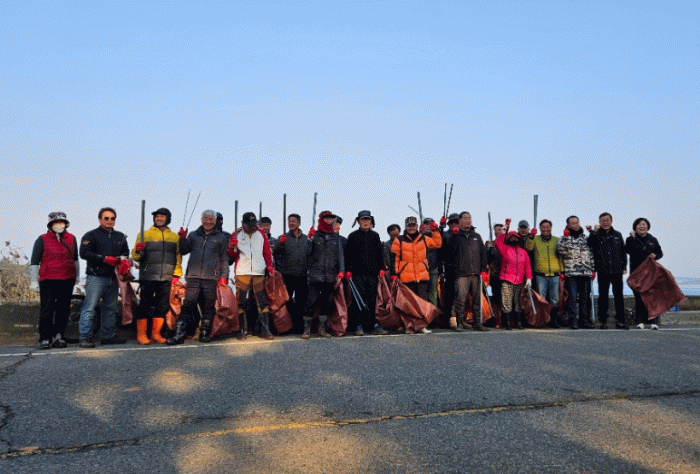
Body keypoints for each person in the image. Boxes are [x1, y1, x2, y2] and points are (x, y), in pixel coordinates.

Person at [167, 210, 229, 345]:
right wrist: (182, 239)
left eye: (211, 219)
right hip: (193, 276)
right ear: (201, 220)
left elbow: (224, 259)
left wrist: (224, 277)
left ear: (215, 221)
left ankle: (205, 333)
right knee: (188, 304)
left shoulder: (221, 238)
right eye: (205, 218)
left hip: (211, 277)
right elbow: (184, 251)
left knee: (209, 305)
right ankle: (180, 334)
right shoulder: (193, 235)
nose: (208, 222)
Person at [78, 207, 130, 347]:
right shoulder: (91, 235)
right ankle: (85, 337)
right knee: (90, 307)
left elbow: (125, 252)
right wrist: (103, 259)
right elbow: (84, 253)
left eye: (112, 218)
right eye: (106, 218)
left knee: (110, 309)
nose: (109, 221)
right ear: (100, 219)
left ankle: (108, 336)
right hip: (96, 277)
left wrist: (124, 260)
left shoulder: (120, 236)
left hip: (114, 277)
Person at [131, 208, 182, 345]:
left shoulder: (174, 237)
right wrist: (138, 250)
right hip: (148, 275)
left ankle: (156, 334)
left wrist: (177, 273)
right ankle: (141, 335)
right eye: (157, 216)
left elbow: (177, 256)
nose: (159, 218)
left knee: (163, 306)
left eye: (162, 216)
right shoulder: (144, 234)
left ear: (168, 219)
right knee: (145, 305)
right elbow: (135, 257)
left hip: (166, 276)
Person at [30, 212, 79, 349]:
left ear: (66, 224)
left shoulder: (72, 238)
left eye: (61, 222)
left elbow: (75, 258)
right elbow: (34, 261)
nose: (59, 225)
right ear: (50, 225)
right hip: (48, 279)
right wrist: (33, 281)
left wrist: (77, 276)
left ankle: (59, 336)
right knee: (47, 309)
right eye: (56, 222)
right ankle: (45, 338)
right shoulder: (42, 239)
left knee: (63, 309)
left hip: (67, 278)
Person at [228, 212, 275, 340]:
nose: (252, 226)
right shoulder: (236, 234)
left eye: (254, 224)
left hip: (259, 271)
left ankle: (265, 330)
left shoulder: (261, 233)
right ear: (243, 223)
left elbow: (266, 251)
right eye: (249, 224)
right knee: (241, 301)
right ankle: (241, 330)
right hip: (242, 271)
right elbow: (231, 255)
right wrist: (232, 246)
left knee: (262, 301)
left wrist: (269, 265)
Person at [392, 216, 442, 333]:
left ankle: (421, 326)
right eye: (409, 225)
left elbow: (437, 244)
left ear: (417, 226)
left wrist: (435, 230)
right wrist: (395, 273)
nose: (411, 228)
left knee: (421, 302)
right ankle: (409, 326)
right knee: (408, 304)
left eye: (413, 225)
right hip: (406, 276)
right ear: (405, 226)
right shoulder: (399, 240)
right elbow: (394, 257)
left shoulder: (424, 238)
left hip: (422, 276)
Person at [303, 210, 345, 338]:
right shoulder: (314, 235)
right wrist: (309, 239)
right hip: (315, 275)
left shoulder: (335, 237)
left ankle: (322, 328)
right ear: (321, 220)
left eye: (331, 219)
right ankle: (306, 330)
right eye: (326, 218)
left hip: (330, 275)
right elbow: (306, 252)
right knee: (311, 301)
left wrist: (342, 270)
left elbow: (340, 255)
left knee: (328, 302)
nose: (329, 221)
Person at [444, 212, 488, 331]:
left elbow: (483, 254)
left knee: (476, 299)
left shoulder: (477, 236)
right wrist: (454, 236)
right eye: (465, 218)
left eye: (469, 218)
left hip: (476, 273)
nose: (468, 220)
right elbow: (450, 253)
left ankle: (477, 323)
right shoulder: (455, 237)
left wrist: (483, 270)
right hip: (461, 273)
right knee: (460, 299)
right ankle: (459, 323)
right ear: (459, 221)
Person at [345, 210, 387, 336]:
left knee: (373, 299)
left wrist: (381, 268)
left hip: (373, 274)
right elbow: (348, 255)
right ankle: (358, 325)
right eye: (363, 220)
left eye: (367, 220)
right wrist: (348, 270)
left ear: (371, 221)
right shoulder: (352, 236)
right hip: (357, 274)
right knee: (358, 299)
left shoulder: (375, 236)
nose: (365, 222)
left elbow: (380, 253)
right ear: (358, 221)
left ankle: (373, 324)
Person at [587, 212, 628, 329]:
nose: (605, 223)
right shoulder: (596, 235)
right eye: (603, 221)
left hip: (616, 270)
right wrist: (593, 232)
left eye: (607, 220)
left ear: (611, 221)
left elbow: (623, 252)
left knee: (618, 296)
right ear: (599, 222)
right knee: (603, 296)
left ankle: (620, 321)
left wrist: (624, 266)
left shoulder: (618, 234)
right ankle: (603, 321)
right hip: (602, 270)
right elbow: (589, 244)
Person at [557, 216, 595, 329]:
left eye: (577, 222)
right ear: (568, 225)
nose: (575, 225)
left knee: (585, 298)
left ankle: (584, 320)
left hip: (585, 272)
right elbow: (562, 251)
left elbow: (591, 254)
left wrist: (593, 269)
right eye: (572, 223)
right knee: (572, 298)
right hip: (571, 273)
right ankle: (573, 320)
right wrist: (566, 237)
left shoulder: (586, 238)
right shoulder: (563, 238)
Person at [625, 218, 664, 329]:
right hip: (636, 272)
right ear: (635, 227)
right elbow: (629, 250)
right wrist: (634, 238)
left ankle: (653, 321)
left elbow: (660, 253)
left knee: (652, 296)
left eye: (644, 224)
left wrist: (655, 255)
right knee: (639, 296)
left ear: (647, 226)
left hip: (650, 272)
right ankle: (640, 321)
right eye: (639, 224)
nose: (642, 226)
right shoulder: (630, 239)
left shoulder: (653, 239)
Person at [524, 219, 564, 326]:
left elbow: (561, 256)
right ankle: (542, 320)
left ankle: (553, 321)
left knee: (554, 299)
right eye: (543, 227)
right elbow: (528, 248)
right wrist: (531, 237)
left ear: (551, 228)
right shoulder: (535, 239)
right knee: (541, 299)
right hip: (541, 275)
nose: (546, 229)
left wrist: (562, 270)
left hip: (554, 275)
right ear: (540, 228)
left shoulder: (556, 240)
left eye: (548, 227)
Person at [273, 213, 308, 333]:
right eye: (289, 221)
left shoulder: (306, 238)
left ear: (299, 223)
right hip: (287, 275)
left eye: (293, 221)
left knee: (301, 301)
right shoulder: (283, 237)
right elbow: (275, 253)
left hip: (302, 275)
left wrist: (312, 240)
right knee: (287, 301)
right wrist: (280, 244)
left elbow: (311, 253)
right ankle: (287, 327)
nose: (291, 223)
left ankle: (299, 327)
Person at [495, 219, 532, 329]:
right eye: (511, 237)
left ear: (519, 239)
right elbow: (498, 242)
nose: (513, 239)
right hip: (507, 279)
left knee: (518, 302)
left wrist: (529, 278)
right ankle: (506, 322)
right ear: (508, 239)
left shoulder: (523, 252)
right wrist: (505, 229)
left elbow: (527, 266)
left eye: (515, 237)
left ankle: (518, 322)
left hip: (519, 281)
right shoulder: (504, 249)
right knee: (506, 301)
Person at [440, 213, 461, 327]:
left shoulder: (464, 234)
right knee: (450, 294)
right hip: (449, 267)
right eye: (452, 222)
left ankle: (461, 318)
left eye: (457, 222)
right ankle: (448, 318)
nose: (455, 224)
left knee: (462, 294)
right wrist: (440, 227)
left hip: (463, 267)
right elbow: (440, 246)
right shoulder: (445, 234)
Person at [485, 223, 504, 323]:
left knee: (505, 298)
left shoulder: (507, 243)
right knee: (496, 297)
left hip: (505, 274)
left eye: (499, 229)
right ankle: (497, 319)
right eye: (496, 230)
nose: (497, 232)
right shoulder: (490, 244)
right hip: (495, 274)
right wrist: (488, 249)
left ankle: (506, 319)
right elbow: (487, 259)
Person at [422, 217, 441, 307]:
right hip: (421, 270)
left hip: (433, 269)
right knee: (422, 293)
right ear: (423, 226)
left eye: (431, 224)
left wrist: (439, 228)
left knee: (433, 293)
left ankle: (434, 312)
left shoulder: (438, 235)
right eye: (426, 224)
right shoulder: (418, 237)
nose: (429, 226)